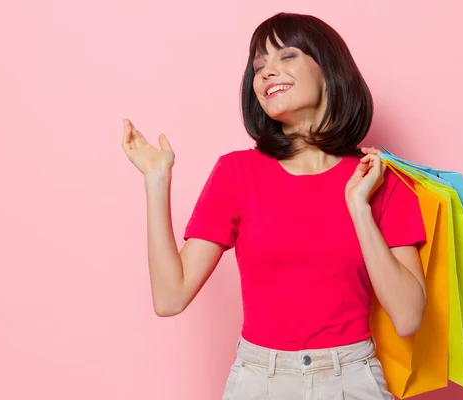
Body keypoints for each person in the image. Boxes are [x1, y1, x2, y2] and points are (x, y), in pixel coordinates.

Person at [121, 12, 427, 400]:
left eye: (286, 56)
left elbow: (408, 317)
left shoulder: (379, 179)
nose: (266, 73)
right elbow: (170, 297)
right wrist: (156, 179)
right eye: (258, 66)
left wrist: (360, 208)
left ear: (328, 68)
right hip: (259, 381)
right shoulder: (237, 172)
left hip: (352, 380)